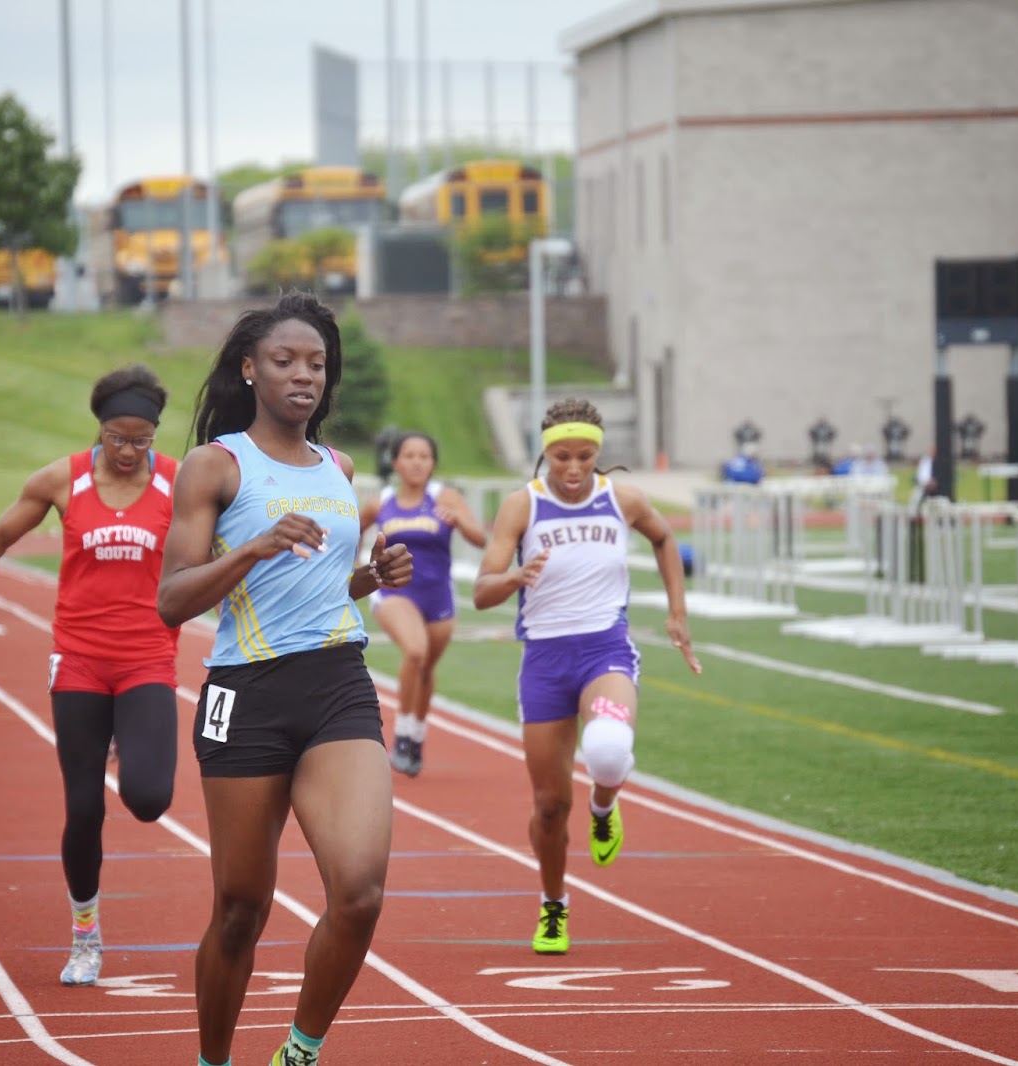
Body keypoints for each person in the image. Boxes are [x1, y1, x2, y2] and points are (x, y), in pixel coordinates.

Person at [157, 291, 412, 1066]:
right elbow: (172, 599)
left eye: (317, 364)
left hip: (338, 681)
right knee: (240, 910)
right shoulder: (217, 464)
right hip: (247, 694)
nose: (304, 376)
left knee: (360, 891)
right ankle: (213, 1061)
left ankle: (299, 1052)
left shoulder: (339, 465)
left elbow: (324, 585)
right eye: (285, 361)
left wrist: (371, 575)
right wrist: (251, 549)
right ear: (249, 370)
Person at [0, 364, 182, 988]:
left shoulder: (178, 484)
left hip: (148, 654)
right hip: (80, 659)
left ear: (154, 435)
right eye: (117, 438)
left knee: (149, 799)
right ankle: (86, 933)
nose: (128, 451)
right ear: (99, 429)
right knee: (83, 806)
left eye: (140, 440)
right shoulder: (62, 480)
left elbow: (225, 545)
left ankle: (129, 733)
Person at [472, 397, 703, 956]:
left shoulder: (621, 497)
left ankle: (604, 806)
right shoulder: (521, 506)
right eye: (561, 457)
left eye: (584, 456)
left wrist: (678, 612)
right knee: (550, 805)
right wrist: (515, 577)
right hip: (545, 662)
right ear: (545, 453)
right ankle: (554, 906)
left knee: (605, 751)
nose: (573, 469)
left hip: (606, 650)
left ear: (598, 453)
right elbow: (481, 591)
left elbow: (665, 539)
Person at [359, 431, 487, 776]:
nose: (417, 462)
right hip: (394, 592)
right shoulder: (380, 502)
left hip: (438, 596)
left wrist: (458, 519)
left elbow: (481, 538)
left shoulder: (445, 497)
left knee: (426, 667)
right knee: (415, 651)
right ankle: (401, 736)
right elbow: (353, 529)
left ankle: (416, 737)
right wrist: (357, 570)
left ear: (432, 463)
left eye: (424, 456)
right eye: (410, 456)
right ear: (396, 462)